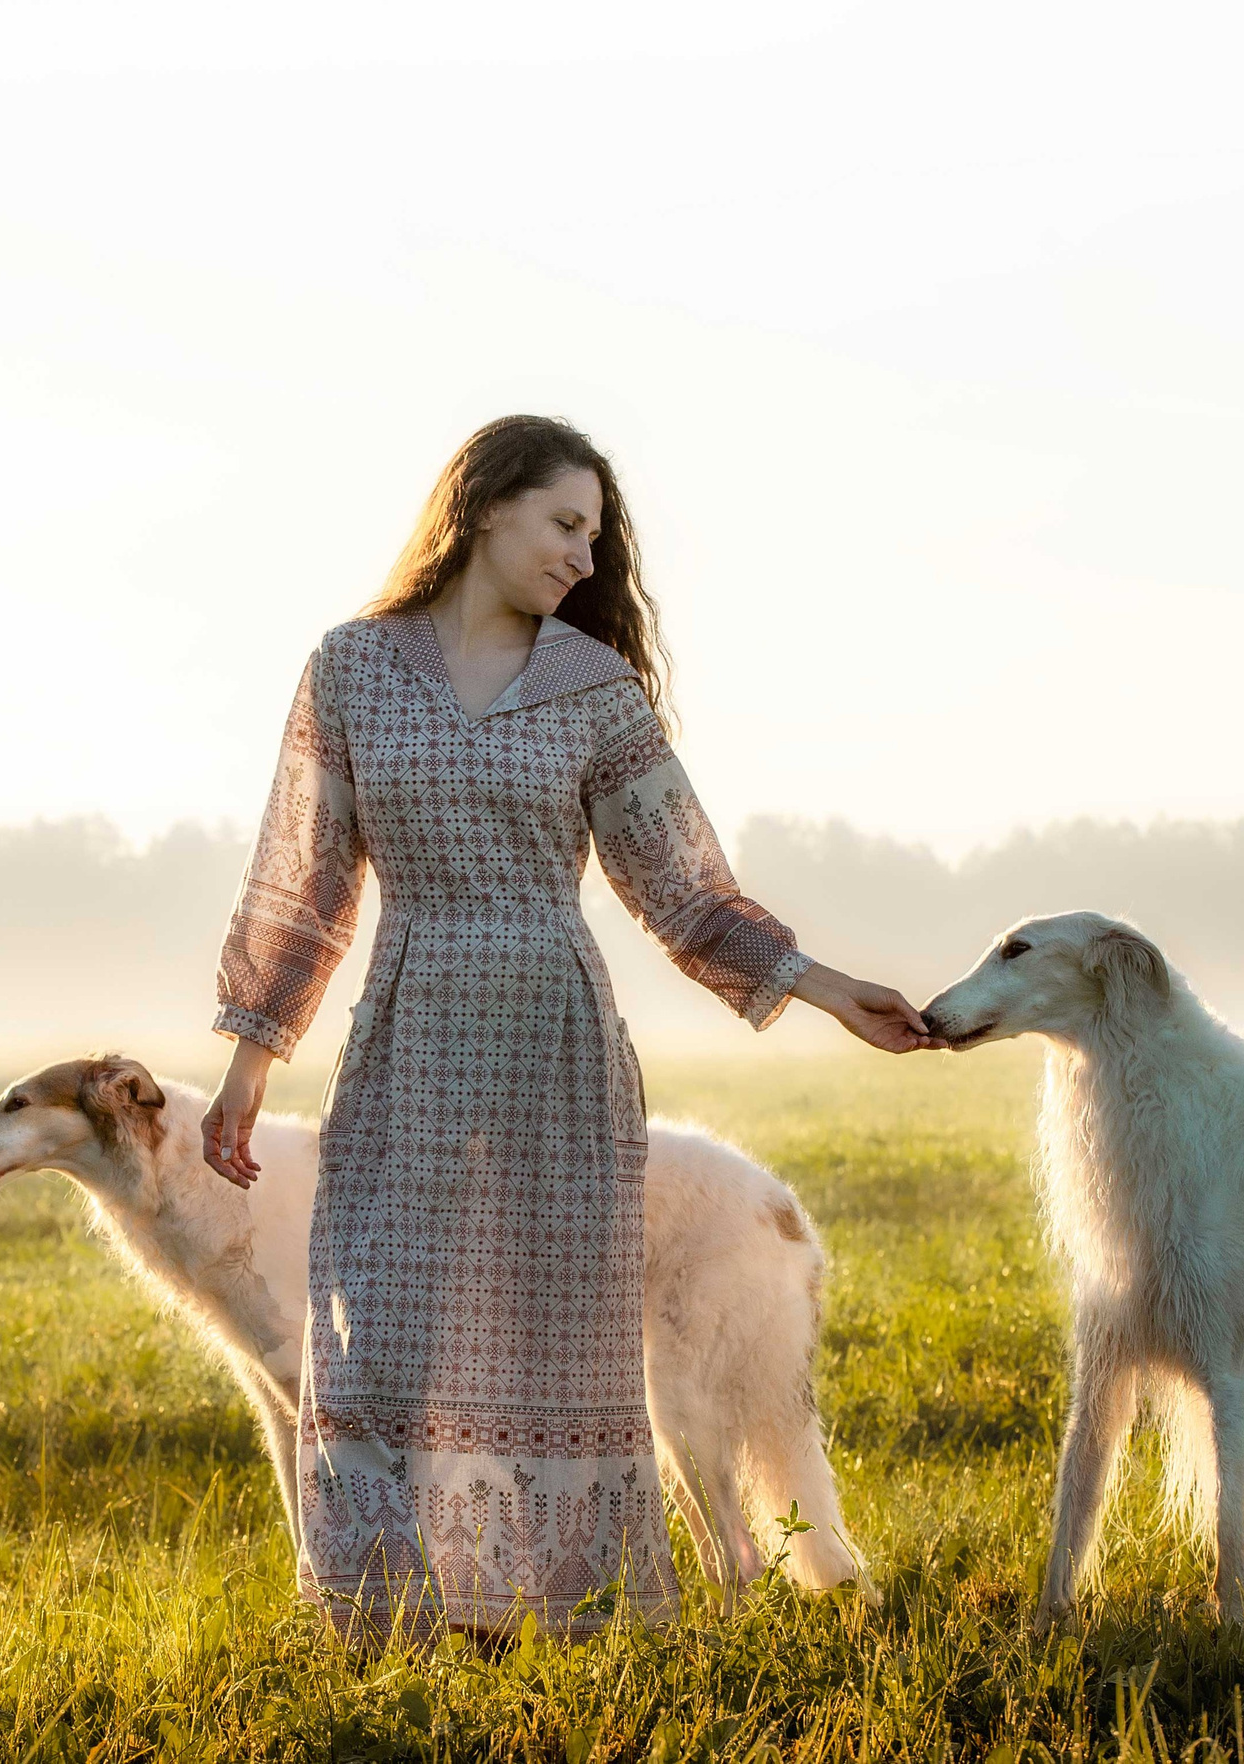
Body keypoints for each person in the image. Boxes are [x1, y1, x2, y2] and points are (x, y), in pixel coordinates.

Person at [203, 414, 927, 1645]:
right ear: (485, 509)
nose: (585, 557)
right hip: (410, 1028)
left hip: (557, 1039)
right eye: (564, 523)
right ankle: (392, 1625)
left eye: (596, 534)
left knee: (550, 1340)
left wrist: (822, 985)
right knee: (382, 1328)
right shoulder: (350, 669)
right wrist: (248, 1068)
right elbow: (307, 882)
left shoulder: (593, 689)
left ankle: (556, 1623)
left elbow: (683, 888)